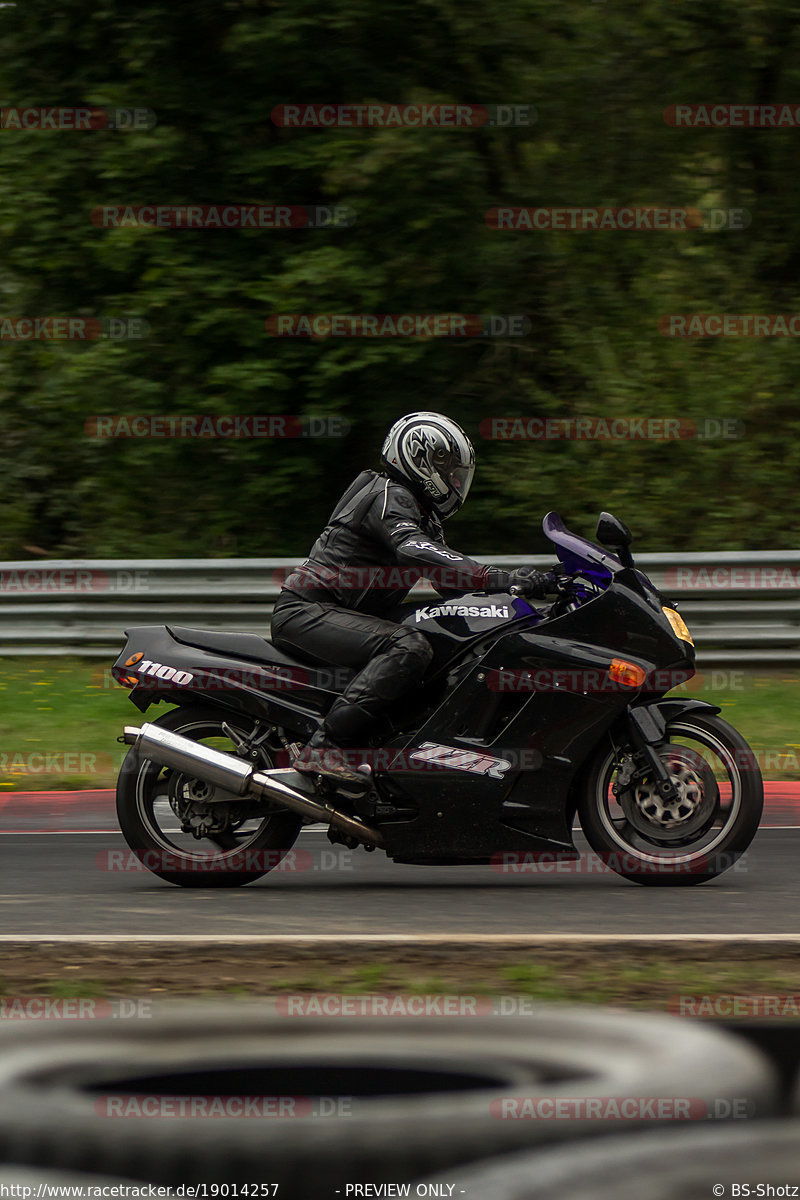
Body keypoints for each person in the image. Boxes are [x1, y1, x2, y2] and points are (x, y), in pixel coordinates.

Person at [270, 412, 556, 783]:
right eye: (451, 471)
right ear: (422, 459)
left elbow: (451, 584)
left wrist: (530, 595)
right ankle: (323, 747)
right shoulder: (387, 495)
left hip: (344, 613)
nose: (456, 481)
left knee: (444, 632)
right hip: (308, 610)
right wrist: (500, 577)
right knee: (410, 646)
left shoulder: (420, 513)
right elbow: (415, 550)